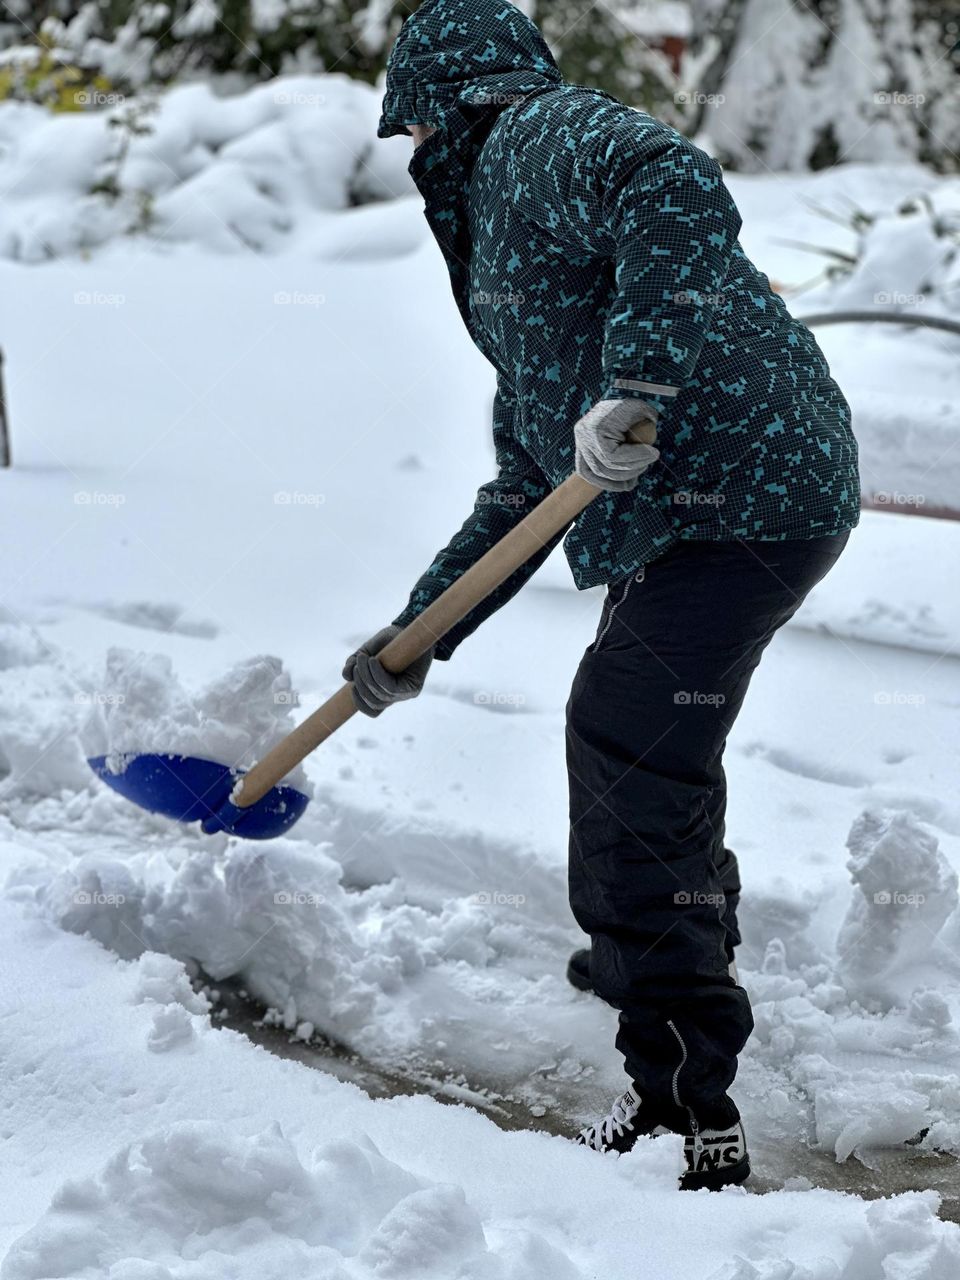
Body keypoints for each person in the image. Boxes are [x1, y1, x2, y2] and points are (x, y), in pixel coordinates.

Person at [343, 0, 859, 1191]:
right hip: (701, 512)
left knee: (630, 747)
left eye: (416, 134)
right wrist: (419, 635)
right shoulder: (510, 270)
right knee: (650, 739)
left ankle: (689, 1106)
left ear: (447, 110)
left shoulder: (537, 138)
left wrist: (637, 385)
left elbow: (668, 172)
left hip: (746, 498)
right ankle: (661, 948)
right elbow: (531, 479)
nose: (417, 161)